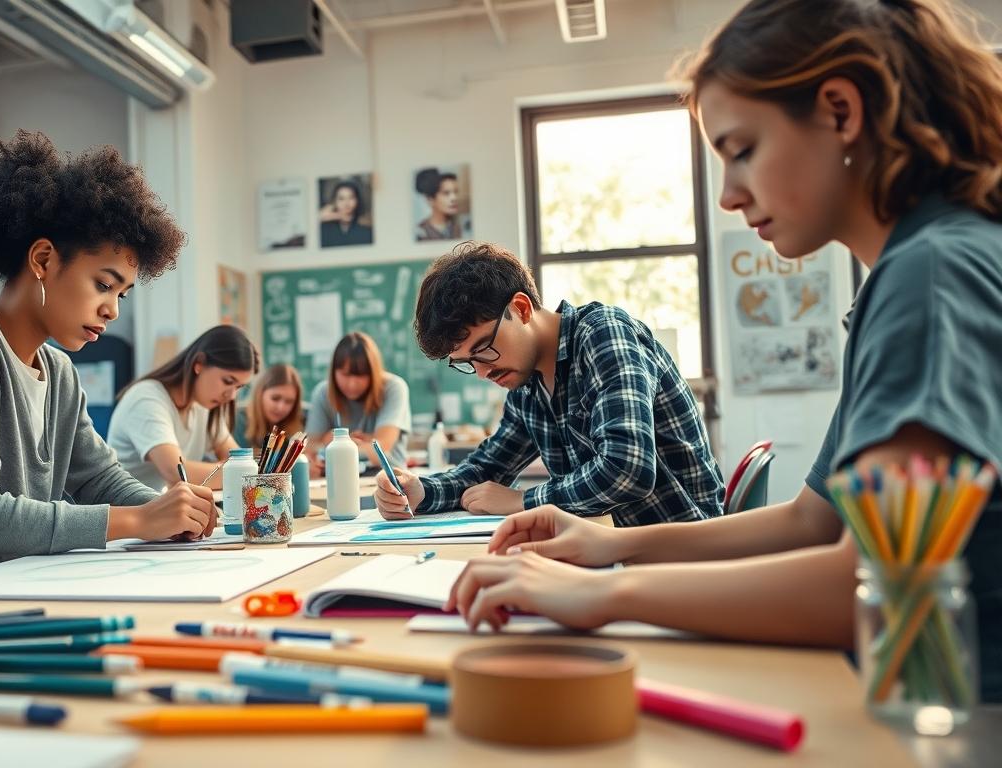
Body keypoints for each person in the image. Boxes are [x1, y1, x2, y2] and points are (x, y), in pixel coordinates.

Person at [445, 0, 1002, 704]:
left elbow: (880, 585)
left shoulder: (930, 277)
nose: (730, 196)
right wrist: (612, 546)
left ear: (840, 111)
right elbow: (812, 521)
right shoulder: (914, 272)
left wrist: (605, 596)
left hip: (957, 713)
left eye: (742, 151)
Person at [0, 130, 213, 589]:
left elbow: (101, 480)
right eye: (103, 285)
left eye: (122, 294)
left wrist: (176, 512)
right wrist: (138, 521)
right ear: (44, 259)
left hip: (12, 595)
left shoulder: (60, 373)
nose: (113, 310)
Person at [375, 241, 723, 523]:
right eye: (467, 362)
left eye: (483, 349)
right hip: (611, 550)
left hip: (683, 552)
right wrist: (423, 491)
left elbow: (627, 469)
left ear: (521, 309)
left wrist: (523, 501)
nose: (482, 372)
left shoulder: (603, 334)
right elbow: (489, 468)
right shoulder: (526, 384)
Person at [108, 326, 258, 492]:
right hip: (131, 505)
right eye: (228, 381)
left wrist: (240, 468)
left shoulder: (204, 405)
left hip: (162, 504)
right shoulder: (145, 398)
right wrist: (239, 471)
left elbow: (239, 459)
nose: (231, 396)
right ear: (199, 364)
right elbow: (176, 473)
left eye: (239, 387)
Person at [306, 332, 412, 477]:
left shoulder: (394, 387)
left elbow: (382, 448)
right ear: (333, 371)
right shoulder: (323, 392)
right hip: (338, 478)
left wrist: (335, 444)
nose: (352, 384)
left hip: (388, 478)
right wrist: (363, 443)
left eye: (361, 375)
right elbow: (309, 448)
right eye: (345, 374)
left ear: (373, 372)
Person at [236, 363, 305, 449]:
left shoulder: (303, 421)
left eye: (289, 402)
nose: (281, 407)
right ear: (260, 394)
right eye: (275, 398)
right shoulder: (238, 419)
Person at [414, 168, 468, 241]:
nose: (454, 198)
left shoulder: (461, 227)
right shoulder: (420, 232)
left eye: (456, 192)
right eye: (446, 193)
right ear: (430, 199)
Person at [319, 180, 373, 247]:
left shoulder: (365, 228)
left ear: (357, 200)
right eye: (341, 198)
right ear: (334, 201)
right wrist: (337, 216)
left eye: (351, 197)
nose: (346, 203)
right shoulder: (325, 229)